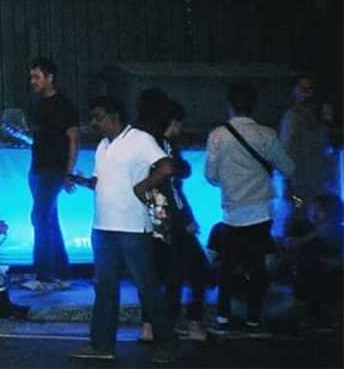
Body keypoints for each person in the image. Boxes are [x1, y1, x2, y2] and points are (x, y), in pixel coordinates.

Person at [68, 95, 179, 364]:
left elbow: (167, 166)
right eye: (92, 118)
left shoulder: (139, 139)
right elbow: (101, 182)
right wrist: (82, 181)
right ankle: (101, 344)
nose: (93, 123)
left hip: (131, 227)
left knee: (146, 286)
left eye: (98, 117)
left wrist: (143, 186)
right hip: (103, 226)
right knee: (105, 287)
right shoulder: (103, 146)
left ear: (115, 116)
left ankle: (167, 343)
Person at [205, 82, 295, 335]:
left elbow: (211, 175)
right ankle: (254, 320)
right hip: (260, 211)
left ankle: (222, 318)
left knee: (227, 266)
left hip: (232, 212)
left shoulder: (218, 135)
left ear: (230, 105)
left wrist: (229, 179)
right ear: (254, 105)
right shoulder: (267, 134)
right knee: (257, 267)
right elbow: (288, 167)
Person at [136, 99, 211, 343]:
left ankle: (149, 326)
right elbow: (170, 185)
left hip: (151, 213)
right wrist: (186, 218)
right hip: (169, 215)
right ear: (174, 122)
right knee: (193, 268)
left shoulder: (142, 140)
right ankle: (190, 324)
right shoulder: (164, 146)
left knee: (156, 272)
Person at [22, 57, 78, 291]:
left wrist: (68, 172)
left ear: (50, 77)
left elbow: (73, 139)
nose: (33, 81)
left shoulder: (64, 105)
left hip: (53, 170)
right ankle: (62, 274)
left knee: (41, 218)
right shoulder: (40, 105)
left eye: (37, 77)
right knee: (49, 221)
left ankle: (44, 277)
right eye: (32, 77)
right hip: (39, 168)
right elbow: (40, 138)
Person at [285, 193, 344, 333]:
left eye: (320, 209)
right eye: (314, 207)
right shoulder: (301, 225)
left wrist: (336, 262)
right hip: (304, 270)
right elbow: (289, 245)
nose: (315, 212)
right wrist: (314, 234)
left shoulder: (339, 231)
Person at [280, 75, 327, 213]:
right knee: (297, 213)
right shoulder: (293, 117)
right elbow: (286, 149)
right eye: (303, 89)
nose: (308, 94)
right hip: (298, 184)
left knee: (307, 214)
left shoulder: (315, 117)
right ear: (294, 91)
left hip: (313, 181)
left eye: (310, 90)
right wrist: (287, 182)